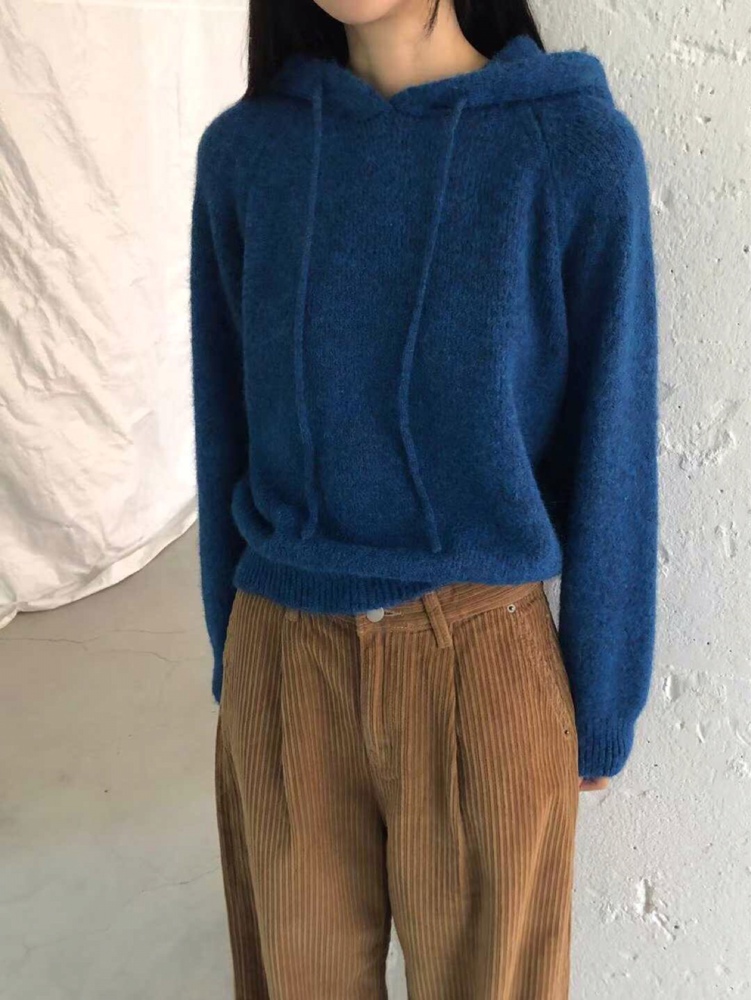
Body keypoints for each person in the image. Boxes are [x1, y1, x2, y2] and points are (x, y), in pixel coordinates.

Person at [189, 0, 659, 996]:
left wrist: (603, 694)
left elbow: (612, 437)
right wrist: (237, 656)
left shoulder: (570, 149)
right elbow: (223, 419)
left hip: (483, 664)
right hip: (284, 656)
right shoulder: (248, 154)